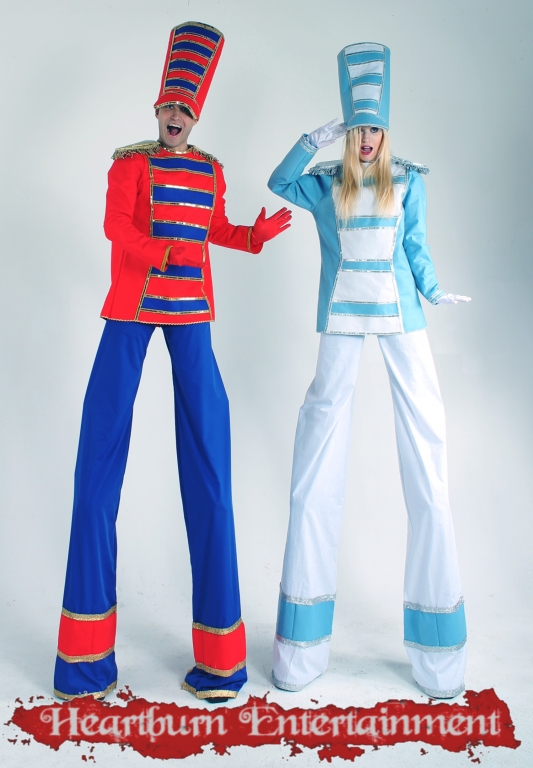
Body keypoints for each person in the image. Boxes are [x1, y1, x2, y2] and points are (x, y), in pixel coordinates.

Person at [53, 21, 291, 704]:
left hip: (191, 317)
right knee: (97, 464)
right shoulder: (129, 164)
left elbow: (214, 229)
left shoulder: (211, 169)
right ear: (156, 110)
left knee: (211, 468)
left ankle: (220, 661)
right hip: (130, 311)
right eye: (168, 107)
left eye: (186, 108)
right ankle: (84, 661)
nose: (176, 116)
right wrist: (155, 251)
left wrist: (251, 236)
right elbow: (115, 227)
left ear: (196, 115)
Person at [268, 42, 469, 699]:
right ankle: (300, 651)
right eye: (356, 129)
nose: (364, 139)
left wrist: (434, 291)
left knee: (427, 449)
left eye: (373, 129)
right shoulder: (326, 182)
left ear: (386, 132)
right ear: (348, 130)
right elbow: (278, 183)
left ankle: (438, 652)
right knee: (316, 455)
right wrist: (311, 140)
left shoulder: (407, 180)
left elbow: (415, 246)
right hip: (340, 317)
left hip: (402, 316)